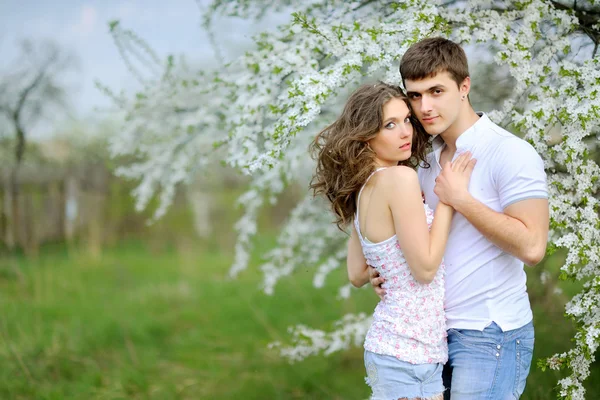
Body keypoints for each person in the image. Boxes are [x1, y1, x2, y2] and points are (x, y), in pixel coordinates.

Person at [365, 37, 550, 399]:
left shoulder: (509, 152)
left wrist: (461, 200)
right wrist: (385, 271)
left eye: (436, 91)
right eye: (415, 95)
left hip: (489, 332)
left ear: (464, 87)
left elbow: (532, 246)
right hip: (430, 338)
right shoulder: (422, 160)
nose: (424, 106)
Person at [311, 82, 476, 400]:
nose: (405, 133)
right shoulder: (400, 178)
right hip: (410, 354)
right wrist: (449, 199)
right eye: (390, 125)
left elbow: (357, 274)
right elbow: (425, 269)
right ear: (366, 135)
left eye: (406, 121)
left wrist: (385, 271)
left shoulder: (364, 187)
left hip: (389, 348)